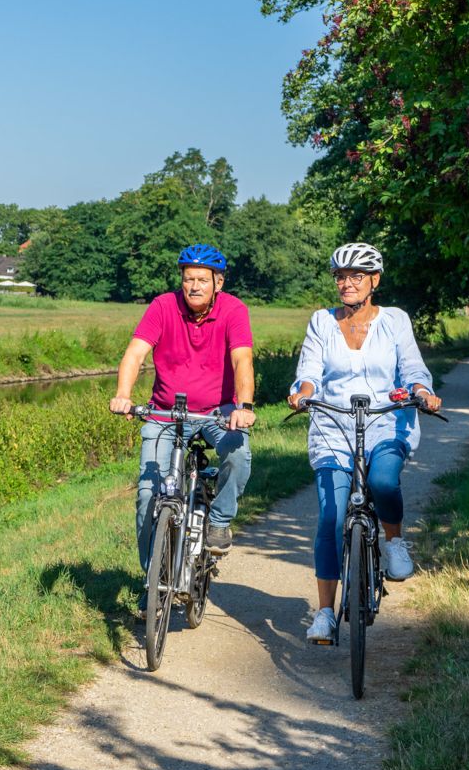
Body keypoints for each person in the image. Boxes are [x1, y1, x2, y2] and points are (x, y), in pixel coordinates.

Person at [287, 242, 443, 644]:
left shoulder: (394, 320)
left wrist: (422, 391)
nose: (346, 284)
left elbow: (412, 367)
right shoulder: (322, 321)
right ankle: (325, 612)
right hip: (333, 424)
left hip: (385, 421)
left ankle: (394, 542)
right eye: (340, 277)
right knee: (331, 517)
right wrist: (303, 393)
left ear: (374, 280)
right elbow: (310, 370)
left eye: (356, 276)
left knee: (383, 481)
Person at [109, 244, 257, 574]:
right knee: (148, 495)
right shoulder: (163, 306)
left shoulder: (234, 310)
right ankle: (153, 581)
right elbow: (135, 354)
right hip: (166, 412)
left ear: (218, 282)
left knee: (238, 453)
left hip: (218, 411)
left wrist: (244, 406)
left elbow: (242, 359)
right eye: (189, 279)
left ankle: (219, 520)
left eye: (202, 280)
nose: (194, 286)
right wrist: (123, 394)